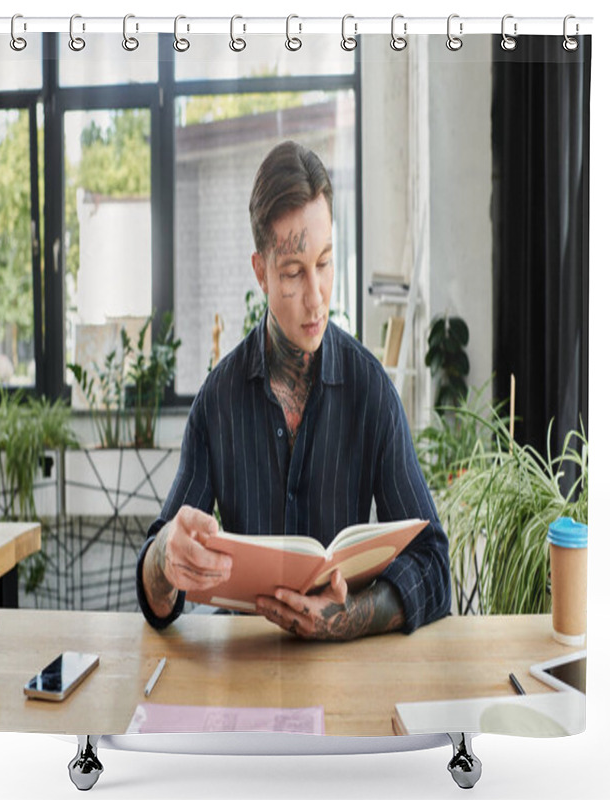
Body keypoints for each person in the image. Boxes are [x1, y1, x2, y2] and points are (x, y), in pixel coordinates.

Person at [136, 140, 451, 640]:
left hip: (343, 681)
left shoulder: (371, 392)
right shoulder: (217, 403)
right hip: (242, 673)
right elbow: (157, 602)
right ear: (260, 271)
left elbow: (435, 565)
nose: (316, 296)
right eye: (292, 272)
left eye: (325, 263)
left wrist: (352, 617)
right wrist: (165, 557)